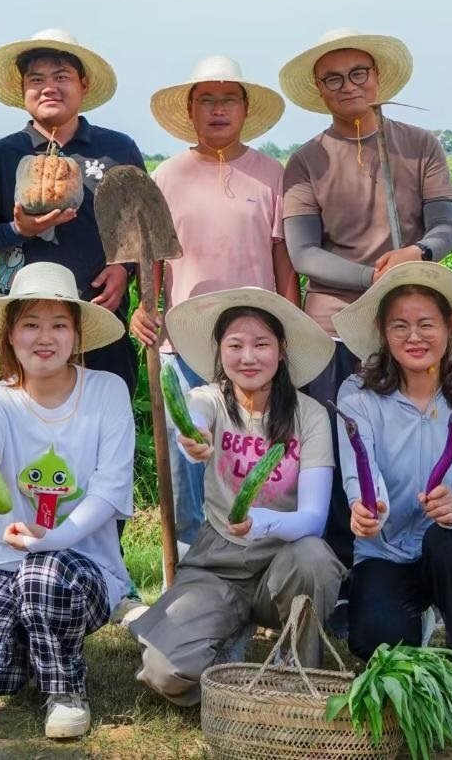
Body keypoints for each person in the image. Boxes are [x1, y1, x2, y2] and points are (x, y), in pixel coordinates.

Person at [278, 27, 452, 631]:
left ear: (378, 79)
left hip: (407, 324)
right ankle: (343, 579)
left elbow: (443, 230)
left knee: (409, 452)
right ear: (319, 90)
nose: (348, 86)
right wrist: (373, 275)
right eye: (334, 78)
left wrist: (419, 258)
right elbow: (305, 254)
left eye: (359, 74)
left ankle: (411, 574)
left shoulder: (419, 145)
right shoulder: (305, 160)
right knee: (334, 455)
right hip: (334, 327)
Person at [0, 262, 135, 739]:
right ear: (10, 336)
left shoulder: (107, 391)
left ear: (77, 334)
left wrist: (54, 538)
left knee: (44, 572)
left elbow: (109, 489)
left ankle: (65, 688)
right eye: (31, 325)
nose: (46, 337)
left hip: (82, 565)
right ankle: (38, 646)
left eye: (59, 324)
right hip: (2, 560)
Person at [131, 287, 343, 706]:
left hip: (286, 561)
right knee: (164, 671)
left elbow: (314, 519)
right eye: (235, 345)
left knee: (315, 556)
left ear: (281, 351)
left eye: (261, 344)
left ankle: (297, 671)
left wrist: (259, 521)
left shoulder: (310, 414)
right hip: (218, 563)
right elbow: (193, 413)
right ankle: (226, 636)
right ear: (219, 351)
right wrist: (191, 434)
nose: (248, 357)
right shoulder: (208, 398)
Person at [332, 261, 452, 746]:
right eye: (400, 325)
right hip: (386, 550)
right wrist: (367, 510)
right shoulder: (357, 395)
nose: (415, 336)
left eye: (426, 323)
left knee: (451, 544)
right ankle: (422, 615)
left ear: (450, 327)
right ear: (384, 334)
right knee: (374, 639)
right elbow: (358, 469)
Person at [131, 55, 298, 559]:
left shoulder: (272, 174)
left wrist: (290, 323)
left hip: (257, 344)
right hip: (184, 339)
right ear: (191, 109)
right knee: (190, 460)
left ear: (245, 109)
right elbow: (153, 258)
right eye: (207, 99)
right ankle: (184, 568)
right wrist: (145, 307)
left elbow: (283, 259)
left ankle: (260, 563)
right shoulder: (167, 176)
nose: (218, 109)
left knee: (254, 456)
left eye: (229, 99)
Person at [0, 29, 145, 398]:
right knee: (27, 434)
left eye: (61, 77)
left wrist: (123, 268)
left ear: (83, 85)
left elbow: (140, 227)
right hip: (28, 328)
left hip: (101, 318)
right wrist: (16, 229)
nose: (48, 87)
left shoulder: (117, 149)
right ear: (23, 89)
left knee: (105, 430)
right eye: (36, 79)